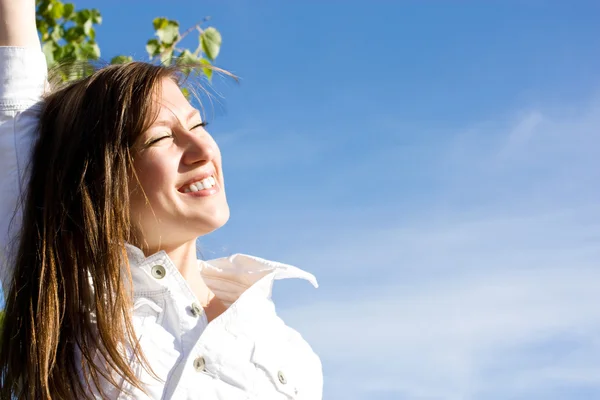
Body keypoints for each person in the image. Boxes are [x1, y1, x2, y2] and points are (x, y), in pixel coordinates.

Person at [0, 1, 322, 399]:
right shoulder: (71, 304)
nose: (201, 148)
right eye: (160, 138)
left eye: (197, 124)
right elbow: (12, 104)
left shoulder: (286, 347)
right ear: (100, 183)